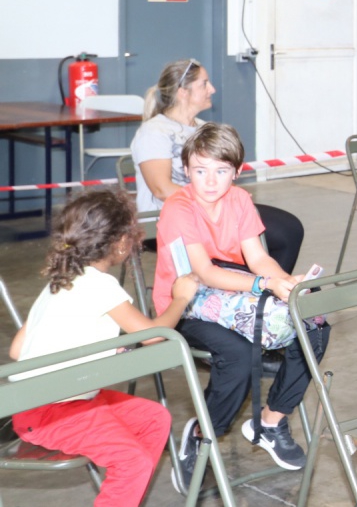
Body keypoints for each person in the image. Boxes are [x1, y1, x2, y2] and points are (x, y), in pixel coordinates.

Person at [154, 123, 327, 488]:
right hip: (183, 305)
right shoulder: (178, 208)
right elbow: (204, 272)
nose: (210, 181)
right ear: (185, 169)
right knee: (238, 355)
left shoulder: (239, 200)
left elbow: (258, 258)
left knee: (314, 325)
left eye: (221, 171)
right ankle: (202, 435)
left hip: (231, 295)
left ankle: (270, 420)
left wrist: (285, 283)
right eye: (200, 170)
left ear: (236, 171)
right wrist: (266, 284)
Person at [10, 191, 198, 506]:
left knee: (154, 418)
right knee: (132, 461)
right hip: (52, 409)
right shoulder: (99, 284)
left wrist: (101, 349)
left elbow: (18, 350)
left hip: (45, 402)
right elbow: (154, 336)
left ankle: (123, 498)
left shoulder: (62, 279)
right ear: (121, 241)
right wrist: (181, 297)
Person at [130, 58, 305, 273]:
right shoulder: (154, 132)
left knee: (289, 229)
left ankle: (264, 287)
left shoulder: (204, 129)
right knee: (274, 235)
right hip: (166, 217)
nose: (212, 89)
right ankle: (243, 284)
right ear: (183, 92)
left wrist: (232, 203)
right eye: (204, 84)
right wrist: (218, 206)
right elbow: (161, 189)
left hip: (214, 207)